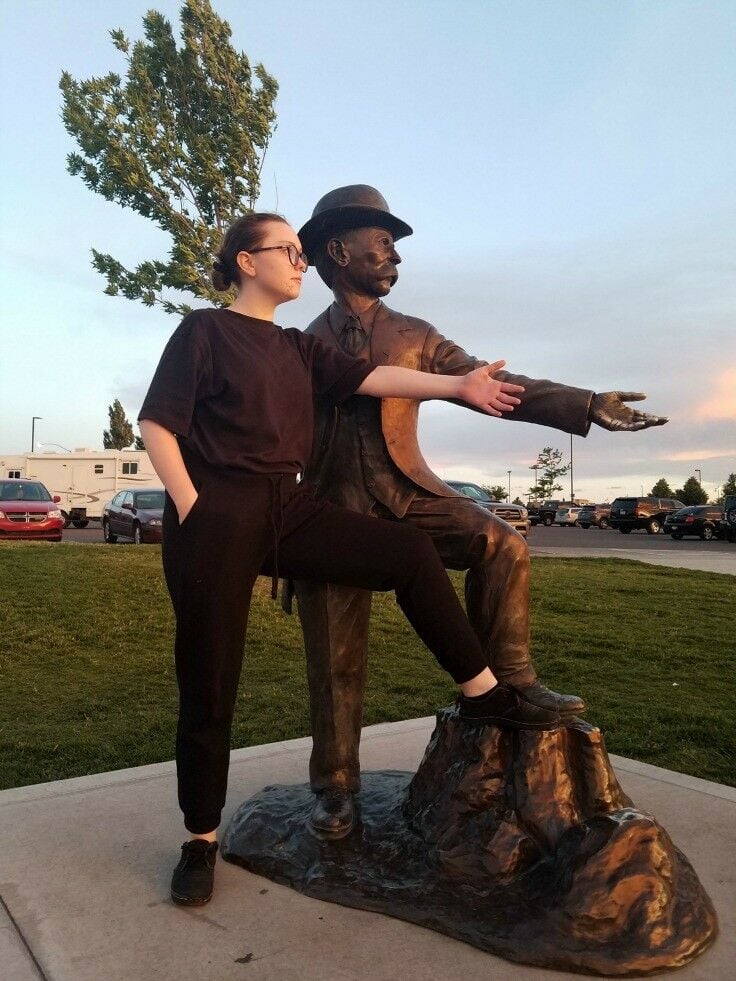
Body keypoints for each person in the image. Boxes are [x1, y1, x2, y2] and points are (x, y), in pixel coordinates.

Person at [137, 212, 562, 909]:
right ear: (248, 261)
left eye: (304, 254)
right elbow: (157, 422)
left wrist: (460, 387)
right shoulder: (203, 332)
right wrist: (192, 503)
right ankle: (201, 838)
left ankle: (486, 691)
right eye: (289, 251)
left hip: (288, 505)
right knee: (211, 682)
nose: (301, 263)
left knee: (405, 551)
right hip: (216, 515)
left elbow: (378, 377)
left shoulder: (298, 351)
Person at [292, 185, 668, 840]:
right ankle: (335, 784)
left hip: (408, 498)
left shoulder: (415, 335)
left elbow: (491, 385)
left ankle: (510, 687)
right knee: (334, 655)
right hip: (334, 515)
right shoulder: (299, 345)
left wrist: (580, 404)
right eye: (381, 243)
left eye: (395, 248)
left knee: (502, 544)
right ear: (338, 249)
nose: (394, 257)